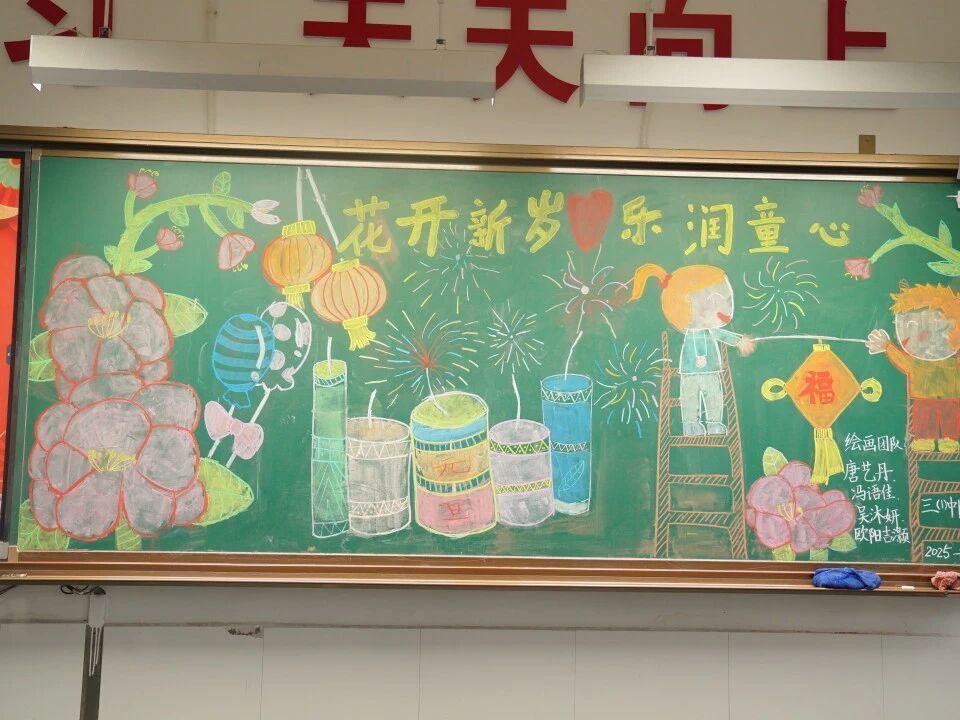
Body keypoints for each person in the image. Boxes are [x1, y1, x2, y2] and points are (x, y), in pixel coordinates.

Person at [631, 264, 756, 436]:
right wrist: (702, 355)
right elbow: (707, 340)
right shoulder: (693, 332)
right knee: (690, 397)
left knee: (713, 396)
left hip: (709, 370)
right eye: (711, 302)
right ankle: (691, 424)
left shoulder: (709, 330)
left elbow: (721, 334)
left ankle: (713, 423)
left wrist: (739, 340)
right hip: (693, 371)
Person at [866, 283, 960, 453]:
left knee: (950, 416)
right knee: (924, 417)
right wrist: (887, 346)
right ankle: (924, 438)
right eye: (910, 325)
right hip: (924, 397)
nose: (924, 333)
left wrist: (887, 346)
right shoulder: (917, 362)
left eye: (939, 325)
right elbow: (903, 361)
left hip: (950, 395)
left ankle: (950, 439)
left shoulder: (953, 359)